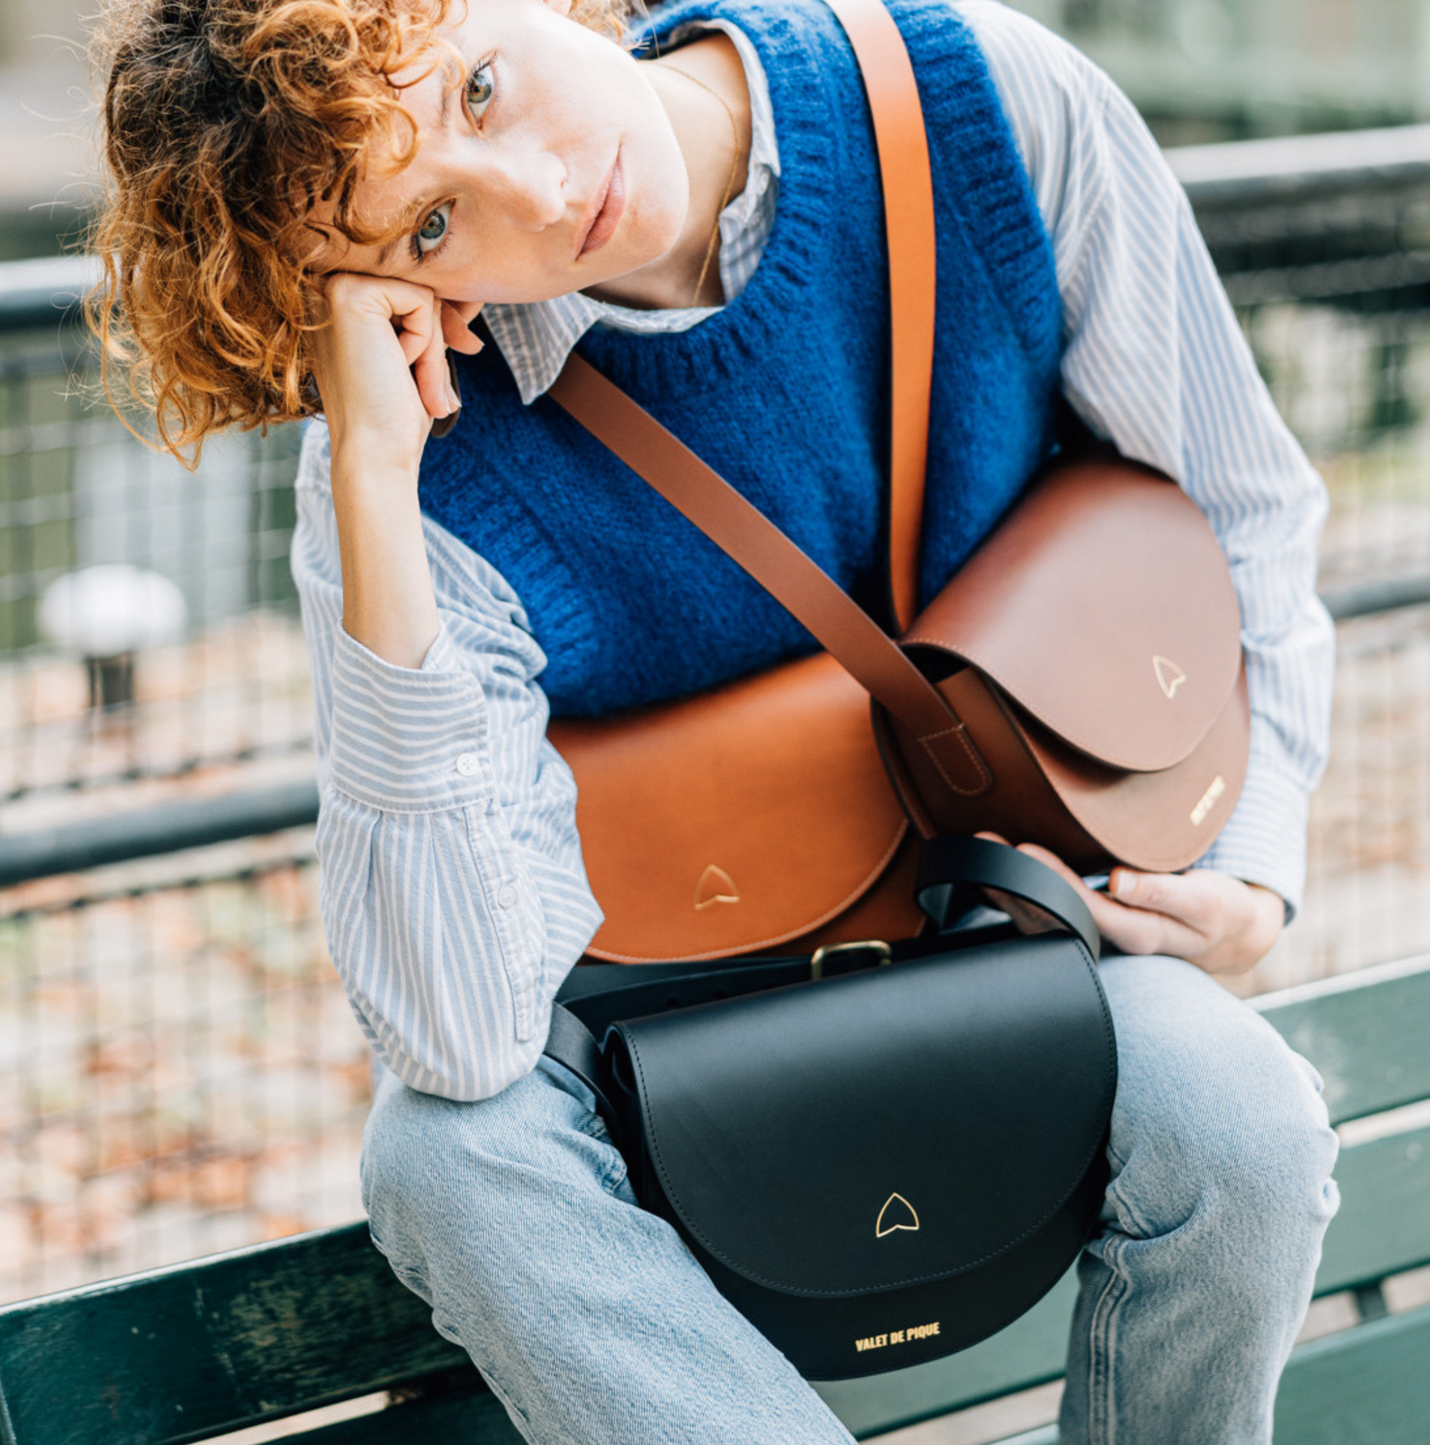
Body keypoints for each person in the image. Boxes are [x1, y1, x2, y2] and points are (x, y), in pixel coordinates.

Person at [92, 0, 1341, 1438]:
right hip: (643, 1009)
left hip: (993, 909)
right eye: (430, 229)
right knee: (444, 1161)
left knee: (1240, 1121)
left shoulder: (981, 97)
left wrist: (1251, 855)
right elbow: (462, 1036)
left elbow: (1237, 497)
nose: (544, 197)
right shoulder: (411, 464)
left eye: (484, 88)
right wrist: (373, 480)